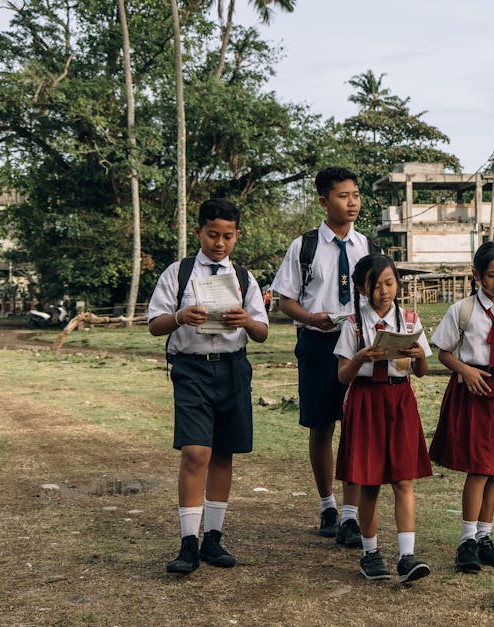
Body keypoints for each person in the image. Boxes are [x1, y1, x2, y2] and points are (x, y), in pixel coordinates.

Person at [147, 198, 269, 573]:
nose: (219, 243)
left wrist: (245, 321)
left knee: (223, 453)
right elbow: (154, 324)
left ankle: (213, 539)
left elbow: (262, 332)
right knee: (195, 452)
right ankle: (188, 543)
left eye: (227, 236)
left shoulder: (244, 278)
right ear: (199, 231)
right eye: (212, 234)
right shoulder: (179, 273)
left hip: (233, 369)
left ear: (237, 236)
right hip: (191, 369)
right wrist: (181, 316)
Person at [271, 167, 369, 547]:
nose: (352, 202)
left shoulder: (366, 246)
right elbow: (285, 300)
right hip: (317, 344)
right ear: (323, 201)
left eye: (356, 195)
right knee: (322, 425)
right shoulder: (304, 247)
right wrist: (312, 318)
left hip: (357, 345)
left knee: (356, 426)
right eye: (343, 196)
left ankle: (351, 515)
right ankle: (328, 504)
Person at [429, 241, 494, 573]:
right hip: (473, 390)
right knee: (478, 468)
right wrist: (465, 370)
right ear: (476, 275)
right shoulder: (462, 310)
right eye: (491, 275)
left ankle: (484, 537)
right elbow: (443, 352)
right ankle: (467, 541)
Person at [334, 254, 434, 583]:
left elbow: (422, 371)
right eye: (375, 285)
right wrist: (360, 357)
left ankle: (407, 555)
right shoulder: (353, 324)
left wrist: (418, 355)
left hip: (399, 400)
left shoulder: (409, 321)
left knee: (403, 479)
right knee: (370, 481)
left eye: (389, 283)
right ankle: (370, 552)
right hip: (366, 400)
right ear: (362, 289)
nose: (384, 291)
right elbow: (342, 376)